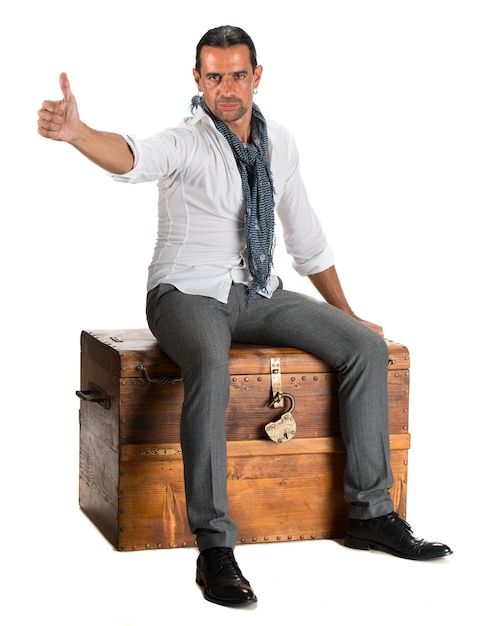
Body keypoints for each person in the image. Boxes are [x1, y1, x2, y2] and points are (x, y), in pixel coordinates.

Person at [38, 25, 452, 608]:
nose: (225, 88)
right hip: (184, 294)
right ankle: (214, 547)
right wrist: (79, 132)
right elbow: (133, 156)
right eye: (213, 76)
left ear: (257, 76)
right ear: (197, 80)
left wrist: (350, 316)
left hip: (255, 290)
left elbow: (306, 237)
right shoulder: (186, 140)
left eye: (237, 75)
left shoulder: (280, 142)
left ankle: (372, 514)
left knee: (364, 348)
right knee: (210, 360)